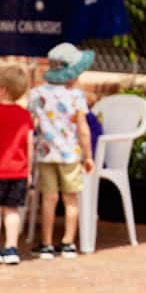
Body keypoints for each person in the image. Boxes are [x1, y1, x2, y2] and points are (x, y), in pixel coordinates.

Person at [27, 43, 95, 259]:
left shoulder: (36, 94)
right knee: (71, 198)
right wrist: (88, 155)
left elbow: (31, 124)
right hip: (71, 155)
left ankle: (46, 243)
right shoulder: (76, 97)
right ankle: (68, 242)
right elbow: (83, 128)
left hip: (46, 154)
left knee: (49, 198)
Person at [0, 65, 34, 265]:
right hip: (18, 172)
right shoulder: (24, 115)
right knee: (12, 210)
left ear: (3, 90)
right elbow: (30, 144)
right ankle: (11, 248)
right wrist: (28, 171)